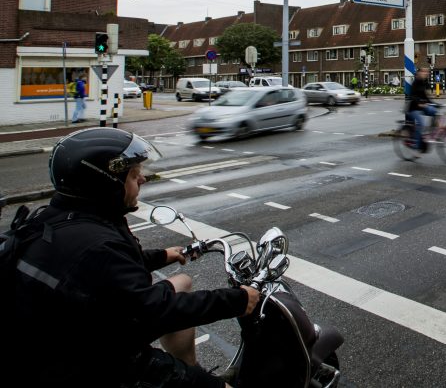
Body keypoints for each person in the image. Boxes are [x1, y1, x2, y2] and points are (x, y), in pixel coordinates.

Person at [8, 127, 260, 388]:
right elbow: (156, 309)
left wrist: (164, 255)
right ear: (105, 184)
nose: (142, 180)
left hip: (71, 333)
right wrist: (239, 300)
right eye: (133, 174)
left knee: (182, 282)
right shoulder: (98, 245)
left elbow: (110, 275)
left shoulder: (61, 218)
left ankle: (189, 365)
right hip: (91, 361)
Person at [407, 66, 437, 151]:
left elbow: (426, 96)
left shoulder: (424, 82)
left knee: (434, 111)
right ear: (419, 73)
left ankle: (430, 132)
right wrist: (419, 102)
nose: (426, 73)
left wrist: (435, 104)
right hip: (414, 108)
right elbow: (412, 96)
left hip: (423, 106)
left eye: (427, 72)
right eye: (424, 72)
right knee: (421, 124)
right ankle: (416, 144)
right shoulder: (415, 82)